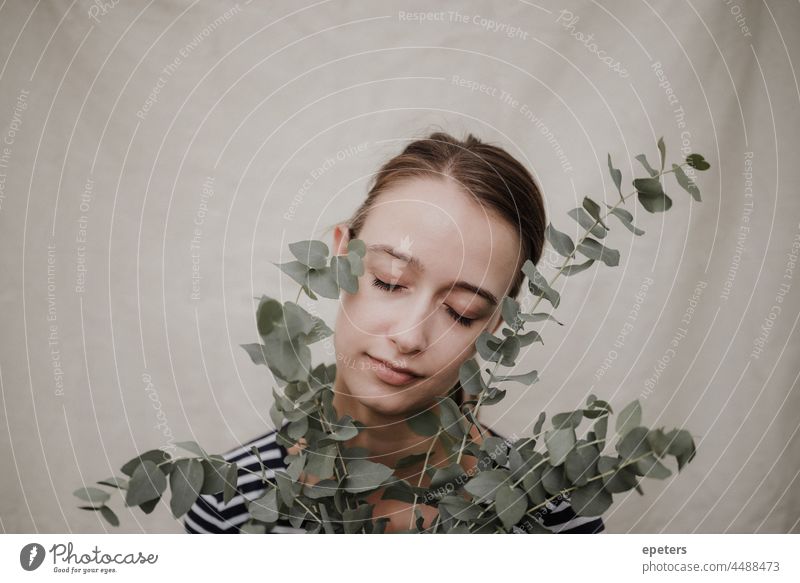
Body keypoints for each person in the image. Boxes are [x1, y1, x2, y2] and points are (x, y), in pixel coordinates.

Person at [185, 131, 605, 534]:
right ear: (339, 257)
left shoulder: (552, 515)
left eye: (462, 312)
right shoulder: (231, 504)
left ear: (496, 325)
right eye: (388, 281)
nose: (410, 337)